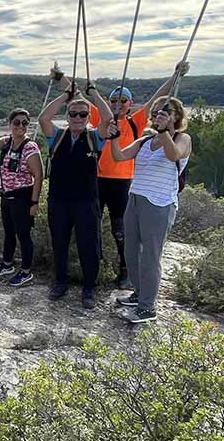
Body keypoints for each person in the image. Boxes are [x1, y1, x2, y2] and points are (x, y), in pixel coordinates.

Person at [81, 62, 190, 289]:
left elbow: (158, 100)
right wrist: (66, 81)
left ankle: (125, 272)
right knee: (93, 225)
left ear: (130, 104)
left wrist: (175, 75)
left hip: (122, 184)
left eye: (123, 100)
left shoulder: (136, 121)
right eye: (113, 100)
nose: (117, 104)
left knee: (120, 230)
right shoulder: (103, 119)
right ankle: (96, 268)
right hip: (98, 180)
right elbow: (84, 100)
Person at [109, 96, 191, 323]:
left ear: (177, 116)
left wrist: (164, 131)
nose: (158, 115)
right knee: (131, 252)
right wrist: (114, 138)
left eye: (165, 112)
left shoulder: (182, 138)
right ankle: (139, 293)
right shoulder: (145, 141)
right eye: (156, 112)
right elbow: (119, 156)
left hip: (159, 203)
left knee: (150, 257)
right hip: (134, 199)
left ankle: (147, 307)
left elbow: (174, 154)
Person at [38, 82, 112, 309]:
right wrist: (65, 96)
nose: (78, 117)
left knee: (88, 245)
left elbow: (108, 120)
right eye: (73, 113)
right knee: (59, 243)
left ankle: (89, 288)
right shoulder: (57, 137)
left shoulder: (94, 138)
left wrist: (94, 95)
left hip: (86, 202)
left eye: (83, 114)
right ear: (68, 115)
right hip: (58, 201)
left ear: (89, 117)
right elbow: (43, 119)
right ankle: (60, 282)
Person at [0, 107, 43, 286]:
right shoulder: (8, 142)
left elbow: (38, 175)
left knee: (23, 235)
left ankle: (26, 271)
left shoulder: (29, 147)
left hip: (22, 197)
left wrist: (34, 202)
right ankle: (7, 263)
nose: (21, 126)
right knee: (9, 233)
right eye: (16, 122)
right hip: (7, 196)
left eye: (25, 123)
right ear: (10, 125)